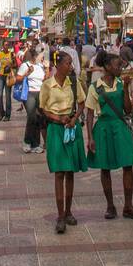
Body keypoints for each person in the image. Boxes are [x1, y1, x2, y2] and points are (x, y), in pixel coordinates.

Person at [86, 52, 133, 221]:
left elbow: (127, 110)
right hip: (103, 128)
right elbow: (90, 114)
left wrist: (125, 89)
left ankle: (128, 205)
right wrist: (90, 137)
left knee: (128, 164)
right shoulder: (95, 86)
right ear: (107, 67)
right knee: (105, 167)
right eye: (118, 65)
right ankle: (110, 205)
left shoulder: (121, 84)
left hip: (120, 126)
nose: (120, 68)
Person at [39, 51, 87, 233]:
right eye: (68, 63)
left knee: (70, 172)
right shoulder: (47, 85)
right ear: (57, 65)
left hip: (72, 128)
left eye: (71, 63)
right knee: (59, 173)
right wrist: (57, 118)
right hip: (56, 129)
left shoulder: (73, 83)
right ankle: (60, 215)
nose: (71, 67)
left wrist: (75, 117)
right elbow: (43, 108)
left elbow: (81, 102)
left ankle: (68, 211)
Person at [18, 45, 47, 153]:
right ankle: (27, 141)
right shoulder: (25, 65)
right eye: (41, 56)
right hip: (29, 93)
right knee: (31, 117)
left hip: (40, 93)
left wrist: (47, 68)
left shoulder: (40, 66)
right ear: (35, 56)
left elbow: (45, 79)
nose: (42, 57)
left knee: (38, 118)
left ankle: (36, 144)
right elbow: (18, 78)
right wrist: (27, 73)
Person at [0, 41, 16, 121]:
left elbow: (15, 65)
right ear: (2, 46)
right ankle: (1, 113)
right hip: (1, 76)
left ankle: (8, 115)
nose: (6, 46)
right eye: (5, 45)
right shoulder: (0, 54)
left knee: (7, 96)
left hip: (8, 77)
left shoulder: (11, 54)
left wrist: (10, 65)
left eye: (7, 45)